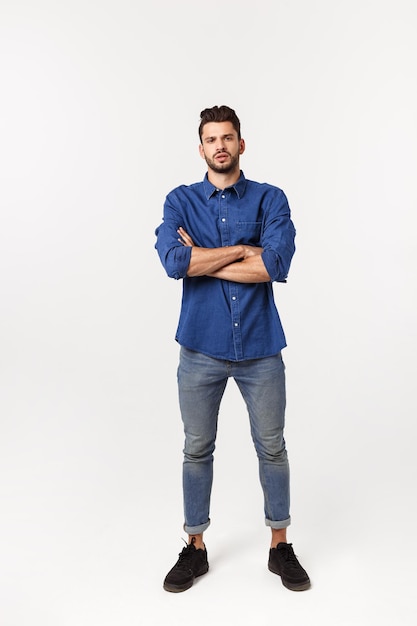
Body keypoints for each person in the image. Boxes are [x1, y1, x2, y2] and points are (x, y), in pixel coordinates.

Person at [155, 105, 310, 593]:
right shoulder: (180, 201)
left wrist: (206, 258)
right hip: (200, 347)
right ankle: (195, 547)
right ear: (200, 148)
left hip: (261, 347)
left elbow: (276, 264)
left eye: (228, 137)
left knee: (273, 447)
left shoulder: (270, 199)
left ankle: (279, 545)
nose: (219, 145)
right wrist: (245, 250)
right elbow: (174, 261)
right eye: (210, 139)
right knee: (196, 449)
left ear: (242, 144)